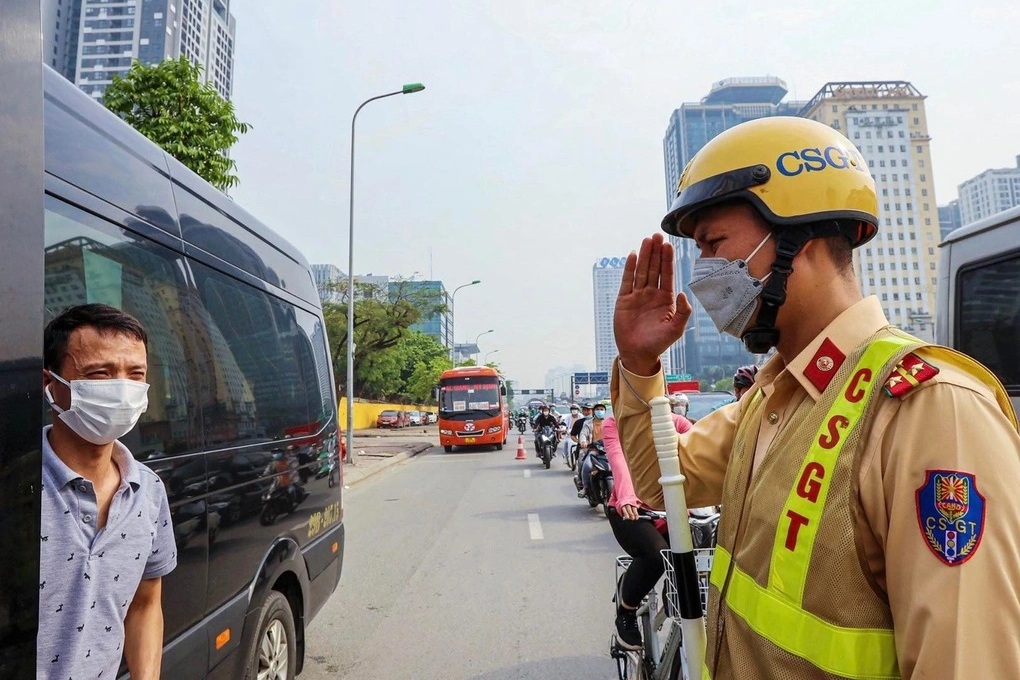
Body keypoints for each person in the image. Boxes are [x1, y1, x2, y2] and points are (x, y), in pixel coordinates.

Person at [611, 116, 1020, 678]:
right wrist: (638, 363)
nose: (703, 273)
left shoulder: (929, 409)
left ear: (793, 236)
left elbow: (965, 662)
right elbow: (664, 481)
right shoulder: (774, 395)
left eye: (713, 244)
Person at [39, 304, 177, 679]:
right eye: (99, 374)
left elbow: (145, 605)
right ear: (50, 384)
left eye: (136, 375)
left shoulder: (148, 490)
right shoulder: (17, 486)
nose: (122, 390)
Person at [604, 411, 692, 650]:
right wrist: (626, 497)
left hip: (674, 510)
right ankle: (626, 611)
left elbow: (702, 458)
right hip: (632, 510)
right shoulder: (615, 424)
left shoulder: (678, 424)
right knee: (656, 556)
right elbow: (618, 461)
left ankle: (670, 594)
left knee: (703, 550)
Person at [574, 402, 608, 497]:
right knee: (587, 466)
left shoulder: (609, 423)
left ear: (605, 411)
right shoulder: (588, 424)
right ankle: (586, 487)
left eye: (602, 409)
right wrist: (583, 442)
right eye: (597, 410)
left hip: (609, 451)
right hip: (594, 450)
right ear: (593, 411)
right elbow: (583, 434)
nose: (599, 411)